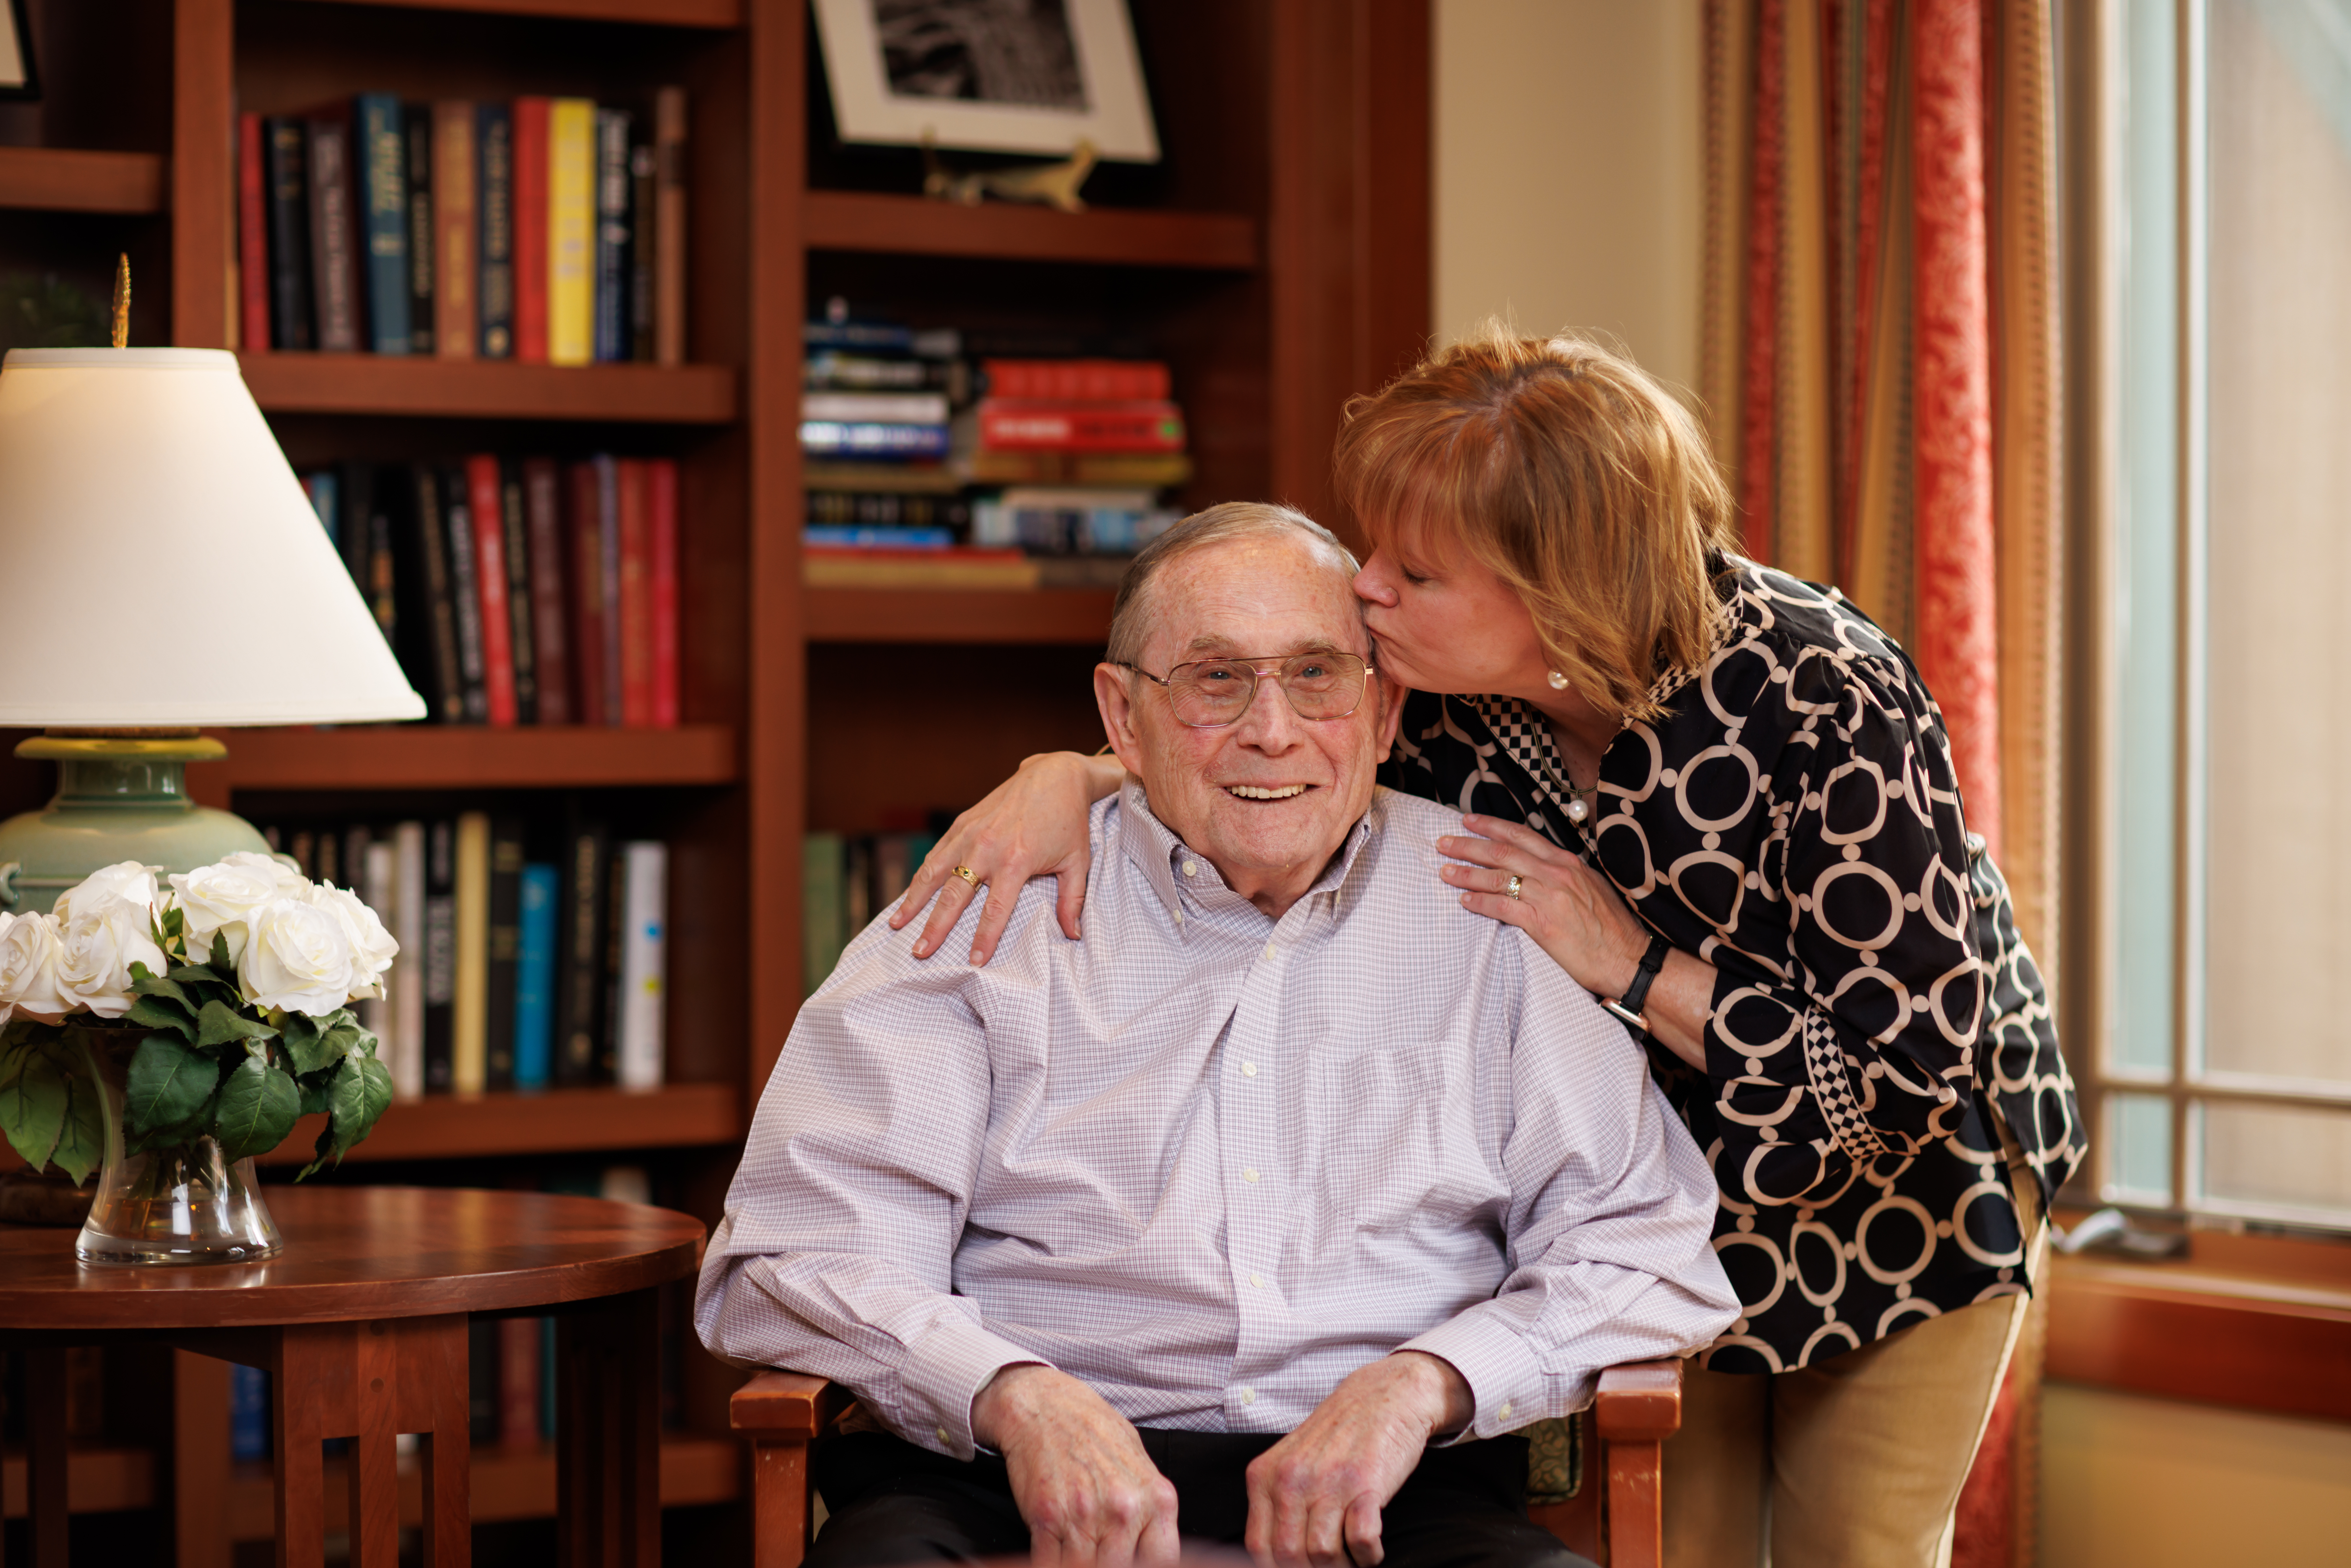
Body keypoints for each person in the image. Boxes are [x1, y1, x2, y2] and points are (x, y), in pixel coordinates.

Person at [889, 333, 2087, 1568]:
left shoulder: (1822, 693)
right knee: (1682, 1548)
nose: (1365, 591)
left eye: (1413, 570)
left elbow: (1905, 1072)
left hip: (1896, 1185)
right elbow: (1251, 746)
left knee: (1860, 1548)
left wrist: (1629, 963)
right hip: (1651, 1188)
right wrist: (1063, 774)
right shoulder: (1446, 692)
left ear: (1555, 591)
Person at [700, 502, 1739, 1568]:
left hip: (1398, 1496)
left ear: (1385, 715)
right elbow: (799, 1252)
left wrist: (1426, 1382)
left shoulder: (1497, 909)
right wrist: (1013, 1396)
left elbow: (1642, 1245)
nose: (1272, 730)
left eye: (1318, 674)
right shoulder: (989, 906)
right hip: (1001, 1484)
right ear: (1122, 715)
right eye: (1216, 679)